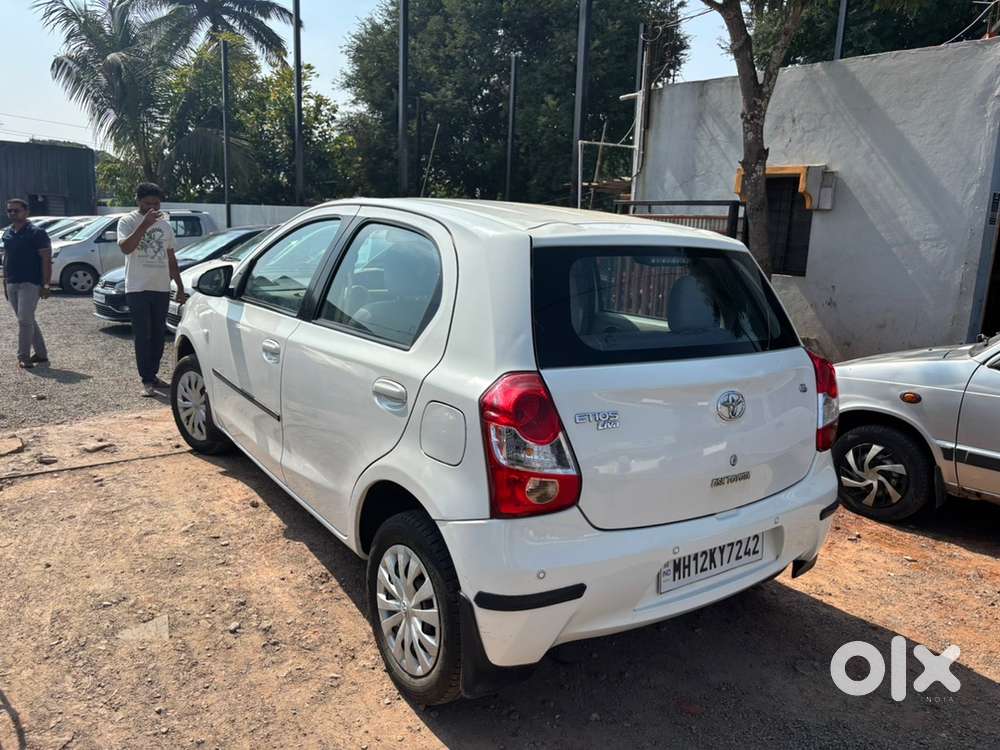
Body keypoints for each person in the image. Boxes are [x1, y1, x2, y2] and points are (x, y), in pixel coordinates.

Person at [117, 183, 187, 397]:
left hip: (160, 287)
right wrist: (145, 224)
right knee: (142, 334)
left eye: (156, 204)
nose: (152, 208)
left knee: (158, 334)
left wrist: (180, 286)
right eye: (148, 204)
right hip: (137, 287)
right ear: (138, 200)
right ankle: (146, 379)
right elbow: (126, 248)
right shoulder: (127, 221)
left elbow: (170, 257)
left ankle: (153, 374)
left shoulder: (165, 225)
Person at [3, 198, 51, 369]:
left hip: (31, 282)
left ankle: (23, 357)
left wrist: (46, 285)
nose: (13, 213)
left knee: (24, 320)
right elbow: (7, 258)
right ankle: (42, 354)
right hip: (12, 282)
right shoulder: (7, 233)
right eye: (10, 211)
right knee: (27, 319)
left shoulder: (37, 233)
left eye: (16, 210)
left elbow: (46, 259)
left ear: (26, 212)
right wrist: (4, 281)